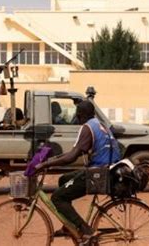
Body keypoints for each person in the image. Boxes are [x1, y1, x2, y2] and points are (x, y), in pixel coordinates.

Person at [34, 100, 121, 242]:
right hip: (108, 170)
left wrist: (44, 165)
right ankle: (69, 225)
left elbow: (71, 157)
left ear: (80, 115)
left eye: (77, 114)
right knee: (64, 180)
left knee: (57, 197)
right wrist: (50, 161)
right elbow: (74, 152)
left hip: (98, 174)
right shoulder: (99, 125)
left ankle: (85, 229)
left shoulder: (87, 128)